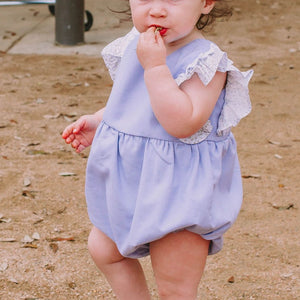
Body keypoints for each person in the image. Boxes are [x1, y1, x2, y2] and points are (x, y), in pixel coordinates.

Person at [62, 0, 253, 299]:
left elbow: (183, 122)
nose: (157, 10)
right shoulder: (136, 44)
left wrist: (156, 67)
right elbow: (135, 100)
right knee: (104, 250)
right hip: (131, 181)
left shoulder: (206, 63)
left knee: (175, 284)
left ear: (205, 3)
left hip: (178, 191)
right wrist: (100, 119)